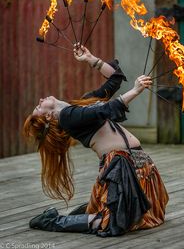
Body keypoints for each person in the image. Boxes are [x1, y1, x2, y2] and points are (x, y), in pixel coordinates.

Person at [23, 44, 169, 237]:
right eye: (38, 107)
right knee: (112, 222)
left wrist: (91, 59)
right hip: (120, 165)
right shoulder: (68, 117)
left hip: (138, 163)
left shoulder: (79, 107)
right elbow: (105, 109)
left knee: (128, 216)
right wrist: (136, 90)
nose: (40, 100)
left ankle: (87, 212)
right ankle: (53, 221)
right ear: (49, 117)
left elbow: (115, 79)